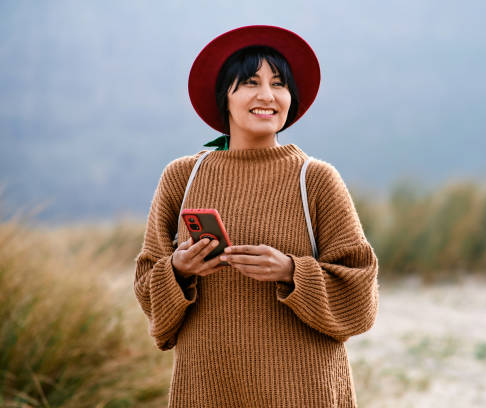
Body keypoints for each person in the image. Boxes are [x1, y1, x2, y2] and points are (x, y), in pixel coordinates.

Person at [134, 25, 379, 407]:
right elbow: (148, 288)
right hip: (206, 388)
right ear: (224, 98)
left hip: (302, 391)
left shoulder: (314, 179)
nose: (267, 95)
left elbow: (360, 298)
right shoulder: (183, 177)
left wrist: (291, 272)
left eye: (278, 83)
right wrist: (178, 270)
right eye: (250, 82)